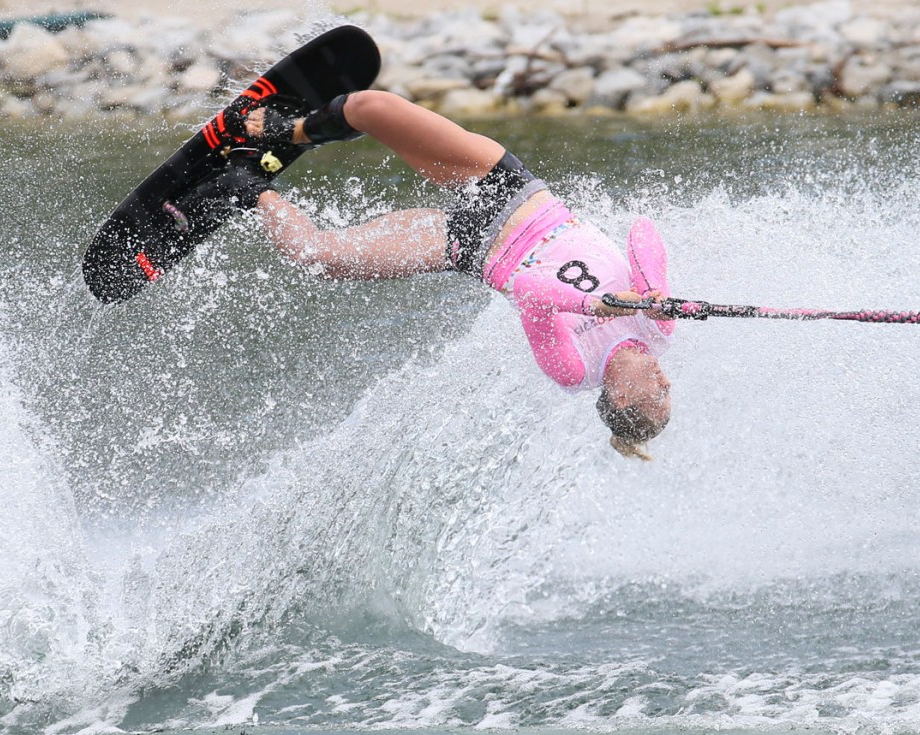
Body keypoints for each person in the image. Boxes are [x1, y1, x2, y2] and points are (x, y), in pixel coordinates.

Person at [193, 90, 675, 460]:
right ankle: (291, 131)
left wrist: (595, 305)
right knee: (369, 107)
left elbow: (530, 295)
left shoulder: (576, 372)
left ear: (623, 397)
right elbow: (643, 232)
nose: (667, 383)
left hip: (472, 246)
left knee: (320, 257)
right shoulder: (658, 327)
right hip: (512, 193)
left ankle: (244, 185)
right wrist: (652, 289)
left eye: (658, 396)